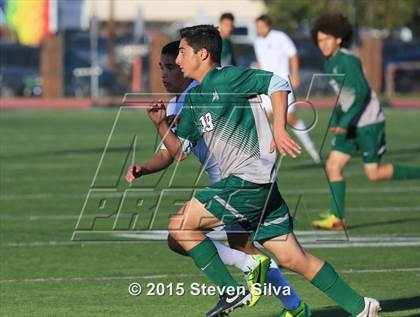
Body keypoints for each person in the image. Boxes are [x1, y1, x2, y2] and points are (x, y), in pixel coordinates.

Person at [148, 25, 381, 317]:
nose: (178, 60)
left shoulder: (228, 77)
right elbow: (179, 151)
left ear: (203, 54)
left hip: (247, 181)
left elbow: (278, 83)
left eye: (181, 52)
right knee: (295, 259)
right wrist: (160, 124)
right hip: (259, 188)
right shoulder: (194, 100)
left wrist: (280, 128)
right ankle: (360, 307)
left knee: (181, 227)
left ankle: (230, 291)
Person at [126, 40, 310, 317]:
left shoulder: (194, 95)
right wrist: (144, 168)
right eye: (161, 68)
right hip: (231, 183)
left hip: (238, 182)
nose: (165, 73)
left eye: (170, 66)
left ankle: (268, 290)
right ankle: (295, 307)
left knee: (184, 234)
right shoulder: (179, 101)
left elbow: (176, 152)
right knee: (239, 247)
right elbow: (167, 153)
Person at [310, 13, 420, 230]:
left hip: (368, 123)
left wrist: (346, 120)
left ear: (339, 38)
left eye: (327, 39)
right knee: (333, 166)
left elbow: (361, 93)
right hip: (351, 124)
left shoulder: (348, 60)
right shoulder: (328, 64)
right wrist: (336, 118)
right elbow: (343, 97)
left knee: (374, 174)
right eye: (319, 40)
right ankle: (337, 218)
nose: (323, 44)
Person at [254, 14, 320, 163]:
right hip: (265, 84)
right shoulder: (257, 42)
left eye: (261, 26)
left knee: (289, 118)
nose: (259, 29)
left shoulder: (279, 37)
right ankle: (266, 155)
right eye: (257, 26)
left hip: (281, 83)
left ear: (268, 25)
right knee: (263, 117)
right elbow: (261, 62)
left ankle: (311, 148)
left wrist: (295, 75)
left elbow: (293, 54)